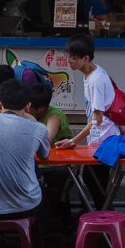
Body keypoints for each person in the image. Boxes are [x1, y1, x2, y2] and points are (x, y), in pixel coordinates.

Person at [0, 79, 51, 220]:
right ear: (28, 106)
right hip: (26, 206)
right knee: (46, 192)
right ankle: (36, 240)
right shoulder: (39, 128)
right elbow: (44, 155)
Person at [54, 33, 121, 208]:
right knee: (94, 179)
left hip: (105, 139)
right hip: (101, 137)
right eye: (67, 55)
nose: (68, 61)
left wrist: (73, 141)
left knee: (94, 179)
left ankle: (104, 216)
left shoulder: (96, 80)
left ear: (85, 58)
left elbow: (97, 119)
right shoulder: (91, 73)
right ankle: (101, 213)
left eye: (72, 58)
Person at [27, 82, 74, 230]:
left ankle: (67, 228)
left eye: (30, 106)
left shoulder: (53, 115)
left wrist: (29, 118)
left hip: (59, 165)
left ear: (41, 108)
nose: (26, 107)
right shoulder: (29, 112)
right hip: (39, 164)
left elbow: (45, 142)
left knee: (58, 188)